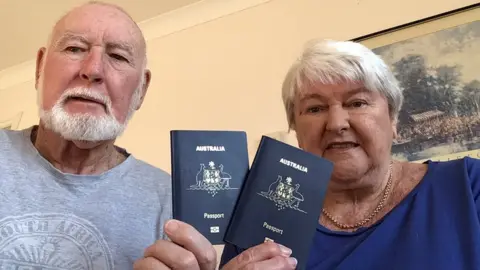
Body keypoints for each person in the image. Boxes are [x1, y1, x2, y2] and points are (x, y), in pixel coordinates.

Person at [0, 1, 296, 269]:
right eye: (75, 48)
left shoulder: (172, 205)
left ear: (141, 90)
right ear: (40, 67)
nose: (93, 70)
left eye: (117, 56)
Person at [217, 39, 480, 269]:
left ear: (393, 120)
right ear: (296, 131)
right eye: (315, 109)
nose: (336, 123)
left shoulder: (468, 186)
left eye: (357, 103)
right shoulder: (261, 217)